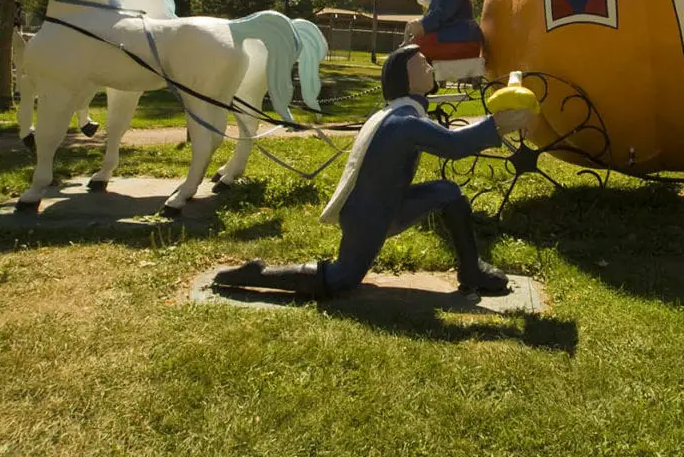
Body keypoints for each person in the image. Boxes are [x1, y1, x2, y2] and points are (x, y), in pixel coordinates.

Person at [213, 44, 534, 298]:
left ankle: (471, 271)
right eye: (422, 63)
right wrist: (500, 125)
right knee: (341, 279)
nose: (429, 66)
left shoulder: (401, 113)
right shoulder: (403, 122)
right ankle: (260, 274)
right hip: (369, 215)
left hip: (390, 202)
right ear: (406, 78)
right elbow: (453, 146)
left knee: (448, 193)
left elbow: (444, 139)